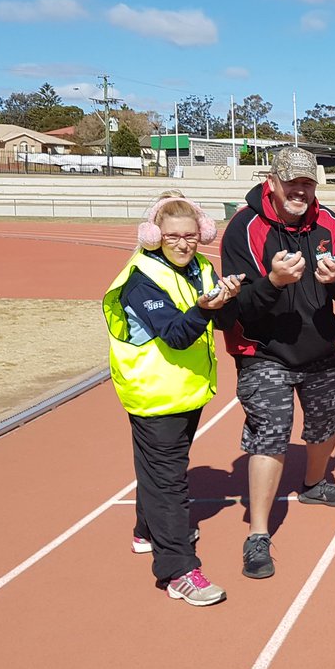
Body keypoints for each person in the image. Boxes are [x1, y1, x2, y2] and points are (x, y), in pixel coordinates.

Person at [221, 146, 335, 580]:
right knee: (271, 433)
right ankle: (258, 534)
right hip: (264, 351)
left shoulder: (329, 223)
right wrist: (273, 282)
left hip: (320, 348)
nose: (300, 191)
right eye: (292, 183)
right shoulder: (244, 228)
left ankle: (315, 484)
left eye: (307, 183)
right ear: (272, 183)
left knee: (327, 421)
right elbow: (237, 306)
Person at [103, 191, 244, 606]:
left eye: (190, 236)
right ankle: (178, 570)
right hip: (153, 392)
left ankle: (146, 532)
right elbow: (177, 335)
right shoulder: (140, 280)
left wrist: (229, 299)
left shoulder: (201, 267)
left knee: (160, 469)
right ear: (153, 236)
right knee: (169, 482)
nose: (183, 244)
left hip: (186, 389)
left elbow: (221, 320)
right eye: (172, 237)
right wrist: (204, 307)